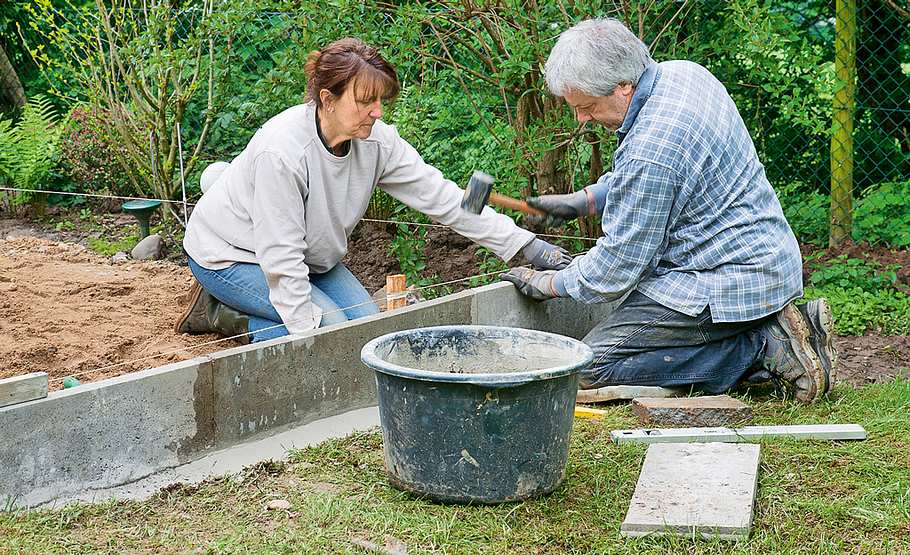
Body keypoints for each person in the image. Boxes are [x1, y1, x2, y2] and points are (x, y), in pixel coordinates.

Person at [502, 18, 836, 403]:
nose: (581, 119)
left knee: (586, 368)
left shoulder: (654, 150)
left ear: (623, 87)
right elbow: (651, 173)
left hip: (721, 284)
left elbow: (617, 270)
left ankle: (763, 348)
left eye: (588, 107)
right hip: (763, 265)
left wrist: (551, 284)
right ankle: (768, 340)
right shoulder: (683, 75)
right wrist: (586, 199)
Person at [176, 38, 570, 343]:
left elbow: (446, 199)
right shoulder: (282, 153)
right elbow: (280, 258)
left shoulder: (377, 142)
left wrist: (527, 246)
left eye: (381, 100)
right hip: (231, 256)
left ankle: (273, 316)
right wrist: (308, 333)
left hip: (311, 258)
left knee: (365, 330)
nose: (378, 112)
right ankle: (222, 313)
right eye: (366, 101)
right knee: (331, 332)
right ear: (327, 100)